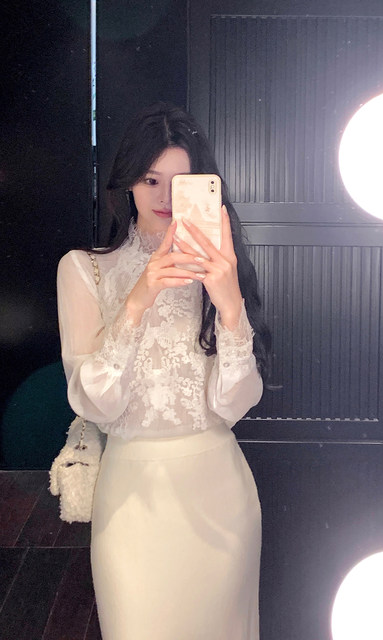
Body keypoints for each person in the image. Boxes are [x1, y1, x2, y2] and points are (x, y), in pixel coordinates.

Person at [56, 102, 270, 640]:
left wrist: (230, 305)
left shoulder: (219, 270)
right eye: (151, 180)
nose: (166, 198)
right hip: (132, 503)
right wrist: (138, 299)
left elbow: (235, 404)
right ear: (127, 181)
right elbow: (94, 403)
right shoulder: (85, 269)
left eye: (181, 183)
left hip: (221, 498)